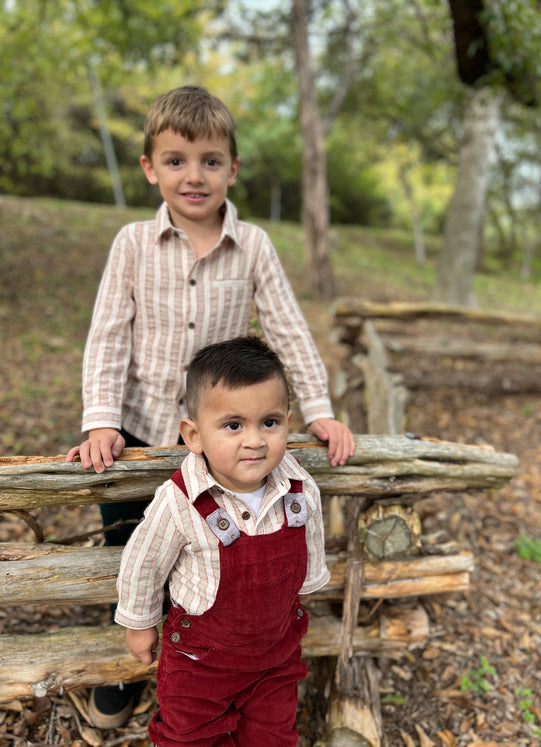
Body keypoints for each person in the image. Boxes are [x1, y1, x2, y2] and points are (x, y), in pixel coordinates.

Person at [65, 84, 354, 728]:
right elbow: (108, 335)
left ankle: (205, 666)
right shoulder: (133, 244)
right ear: (149, 168)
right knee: (135, 550)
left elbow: (286, 330)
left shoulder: (252, 247)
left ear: (232, 167)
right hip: (142, 428)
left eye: (210, 161)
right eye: (175, 160)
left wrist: (320, 407)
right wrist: (102, 420)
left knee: (209, 558)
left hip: (218, 442)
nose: (193, 176)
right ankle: (133, 662)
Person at [115, 336, 330, 746]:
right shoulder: (181, 501)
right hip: (200, 664)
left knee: (273, 735)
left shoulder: (299, 488)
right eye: (233, 425)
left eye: (270, 422)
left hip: (276, 658)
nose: (254, 440)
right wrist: (139, 624)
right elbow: (143, 562)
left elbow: (310, 540)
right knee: (189, 737)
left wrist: (308, 581)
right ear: (194, 436)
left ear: (288, 420)